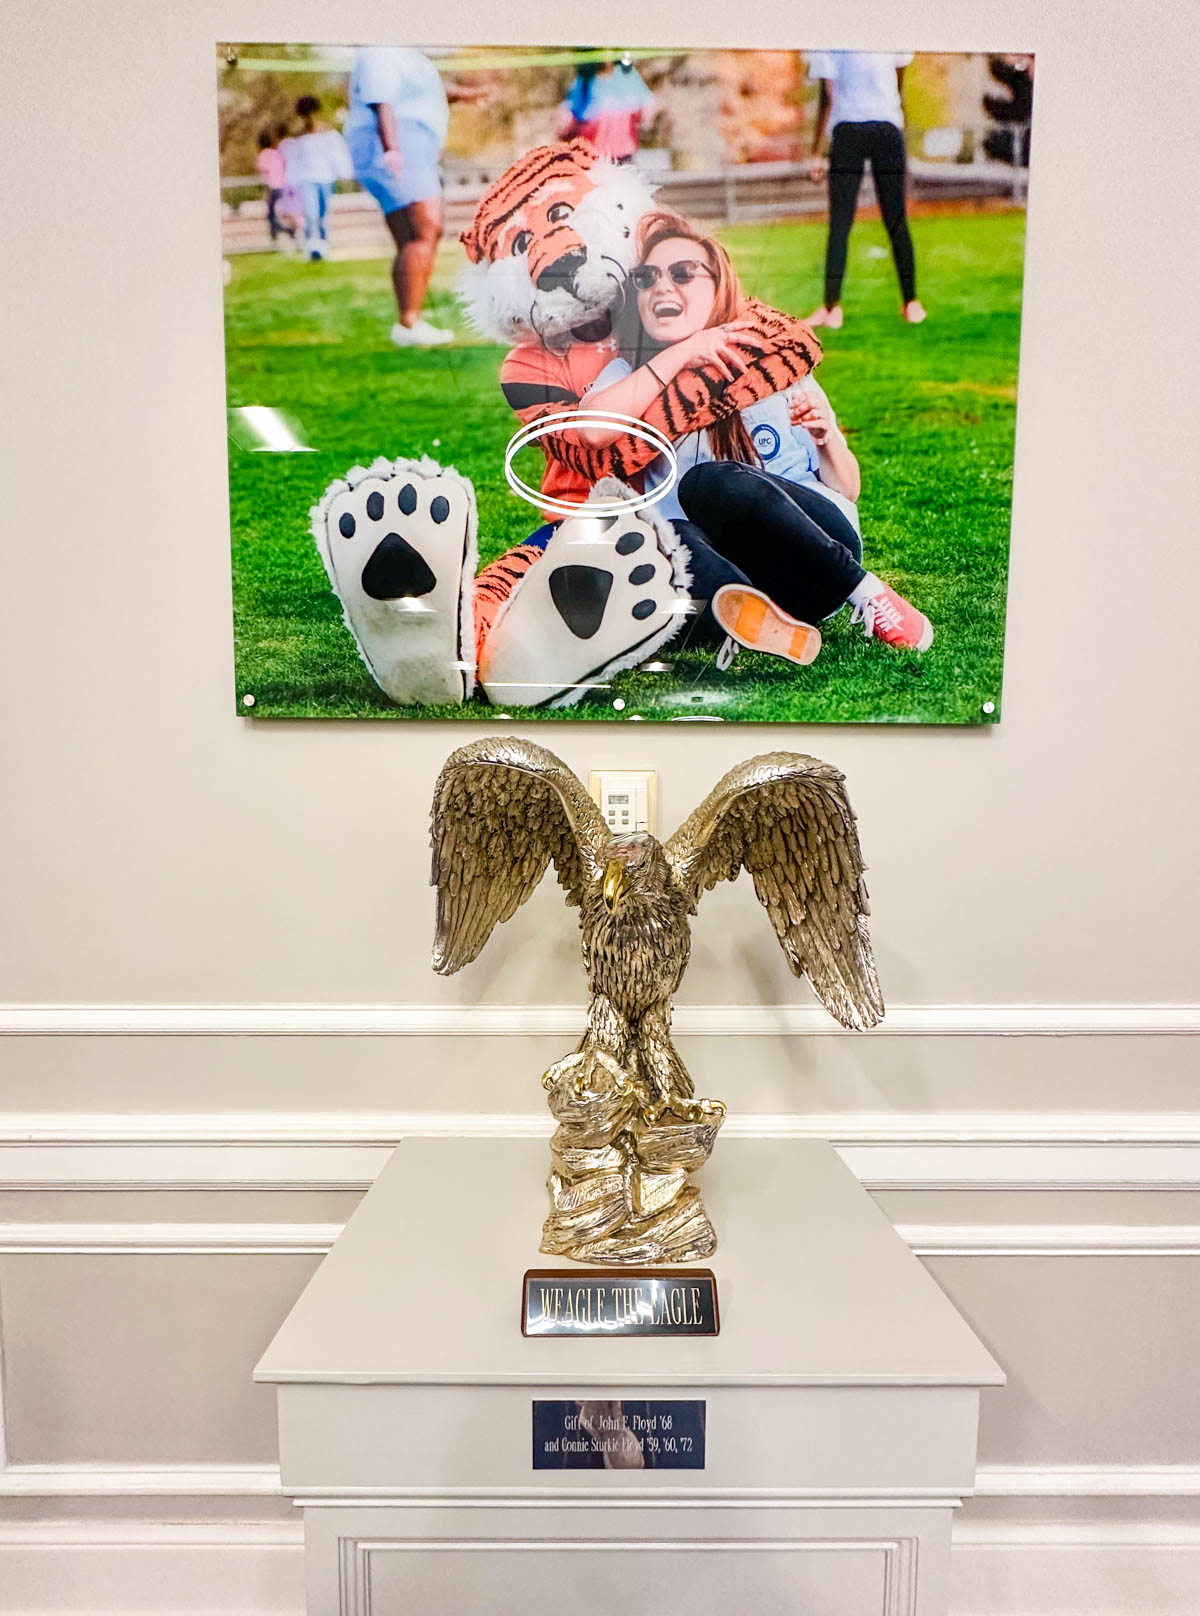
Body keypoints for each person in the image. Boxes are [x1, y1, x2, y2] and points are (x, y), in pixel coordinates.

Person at [578, 211, 933, 654]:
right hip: (728, 577)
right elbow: (592, 431)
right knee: (668, 537)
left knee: (711, 484)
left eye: (684, 273)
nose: (662, 286)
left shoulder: (768, 357)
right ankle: (761, 627)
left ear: (718, 286)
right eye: (647, 278)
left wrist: (828, 439)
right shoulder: (631, 373)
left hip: (818, 561)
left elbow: (847, 488)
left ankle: (866, 592)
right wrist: (684, 353)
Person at [344, 47, 487, 347]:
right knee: (423, 229)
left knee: (417, 234)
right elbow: (382, 101)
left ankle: (410, 321)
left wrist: (464, 94)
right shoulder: (381, 52)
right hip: (398, 144)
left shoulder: (406, 55)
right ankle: (409, 322)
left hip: (409, 144)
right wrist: (392, 150)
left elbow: (425, 95)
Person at [804, 51, 927, 328]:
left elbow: (897, 81)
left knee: (889, 220)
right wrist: (817, 152)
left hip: (883, 128)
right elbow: (828, 98)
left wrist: (816, 151)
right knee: (845, 222)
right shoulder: (832, 41)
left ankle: (909, 301)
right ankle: (832, 307)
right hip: (851, 128)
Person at [557, 55, 656, 164]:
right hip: (594, 156)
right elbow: (567, 111)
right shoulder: (584, 80)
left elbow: (648, 102)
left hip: (624, 153)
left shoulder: (627, 75)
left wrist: (647, 119)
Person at [290, 96, 352, 261]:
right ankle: (312, 246)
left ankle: (323, 245)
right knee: (311, 214)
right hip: (307, 179)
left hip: (325, 178)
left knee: (323, 214)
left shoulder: (329, 134)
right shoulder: (299, 138)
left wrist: (343, 172)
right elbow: (295, 161)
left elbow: (337, 155)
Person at [254, 128, 294, 248]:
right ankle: (284, 231)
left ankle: (280, 233)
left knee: (271, 215)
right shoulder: (277, 154)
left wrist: (264, 192)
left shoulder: (263, 156)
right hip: (282, 186)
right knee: (277, 214)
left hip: (272, 188)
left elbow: (263, 174)